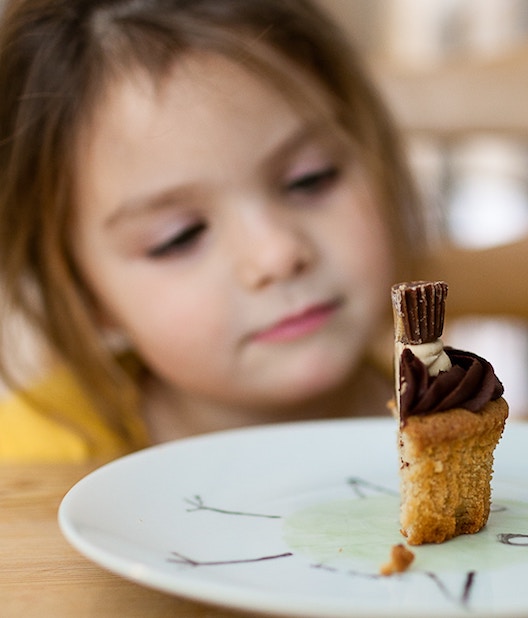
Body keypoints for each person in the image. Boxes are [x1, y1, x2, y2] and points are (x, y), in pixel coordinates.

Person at [0, 0, 427, 462]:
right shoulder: (22, 469)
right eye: (178, 236)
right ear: (84, 293)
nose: (276, 254)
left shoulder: (456, 415)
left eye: (311, 178)